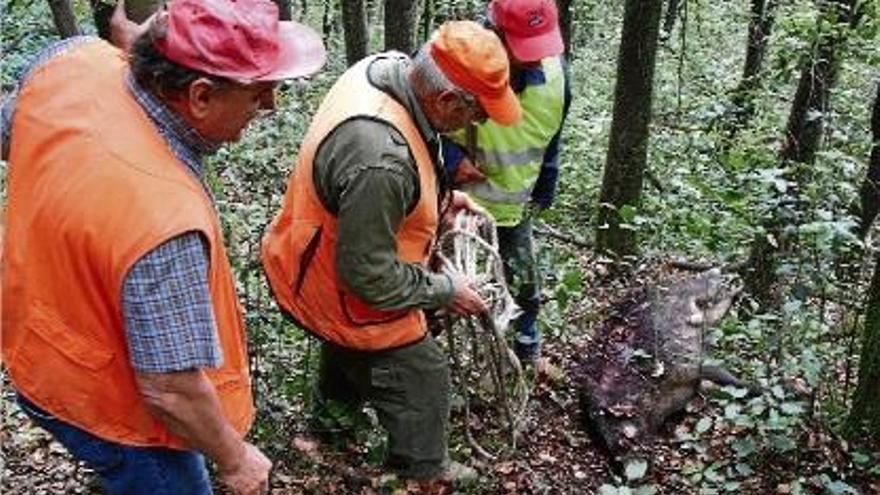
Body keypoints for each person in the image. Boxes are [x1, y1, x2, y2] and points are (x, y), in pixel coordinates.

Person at [0, 1, 325, 493]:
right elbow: (170, 389)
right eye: (261, 95)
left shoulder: (68, 64)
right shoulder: (161, 218)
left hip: (33, 344)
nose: (271, 108)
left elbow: (11, 136)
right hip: (101, 402)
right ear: (198, 96)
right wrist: (235, 459)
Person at [261, 21, 521, 485]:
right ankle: (421, 472)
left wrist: (442, 198)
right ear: (445, 100)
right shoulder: (380, 158)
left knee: (348, 351)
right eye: (475, 113)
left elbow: (397, 173)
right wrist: (445, 289)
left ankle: (327, 434)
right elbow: (366, 275)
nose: (475, 124)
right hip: (336, 286)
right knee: (424, 371)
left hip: (313, 264)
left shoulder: (386, 72)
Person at [441, 0, 572, 366]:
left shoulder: (557, 75)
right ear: (494, 32)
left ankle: (524, 353)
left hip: (512, 208)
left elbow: (551, 139)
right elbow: (410, 121)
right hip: (448, 206)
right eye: (524, 47)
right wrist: (451, 162)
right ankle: (441, 361)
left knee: (524, 284)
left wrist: (544, 189)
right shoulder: (452, 61)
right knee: (442, 288)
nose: (535, 58)